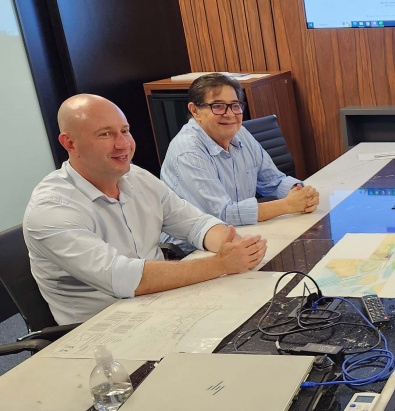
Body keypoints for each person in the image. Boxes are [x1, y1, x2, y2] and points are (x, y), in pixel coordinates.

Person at [23, 94, 267, 325]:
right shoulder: (51, 208)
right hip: (105, 329)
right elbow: (121, 277)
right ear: (70, 143)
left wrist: (231, 245)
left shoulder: (136, 177)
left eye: (125, 131)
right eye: (105, 134)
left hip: (164, 303)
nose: (123, 145)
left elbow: (195, 223)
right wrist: (221, 264)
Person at [159, 73, 318, 246]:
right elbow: (223, 215)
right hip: (191, 251)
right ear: (195, 110)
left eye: (235, 105)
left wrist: (301, 193)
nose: (230, 114)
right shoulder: (188, 151)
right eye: (218, 106)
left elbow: (274, 180)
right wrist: (288, 205)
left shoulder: (239, 132)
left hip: (240, 234)